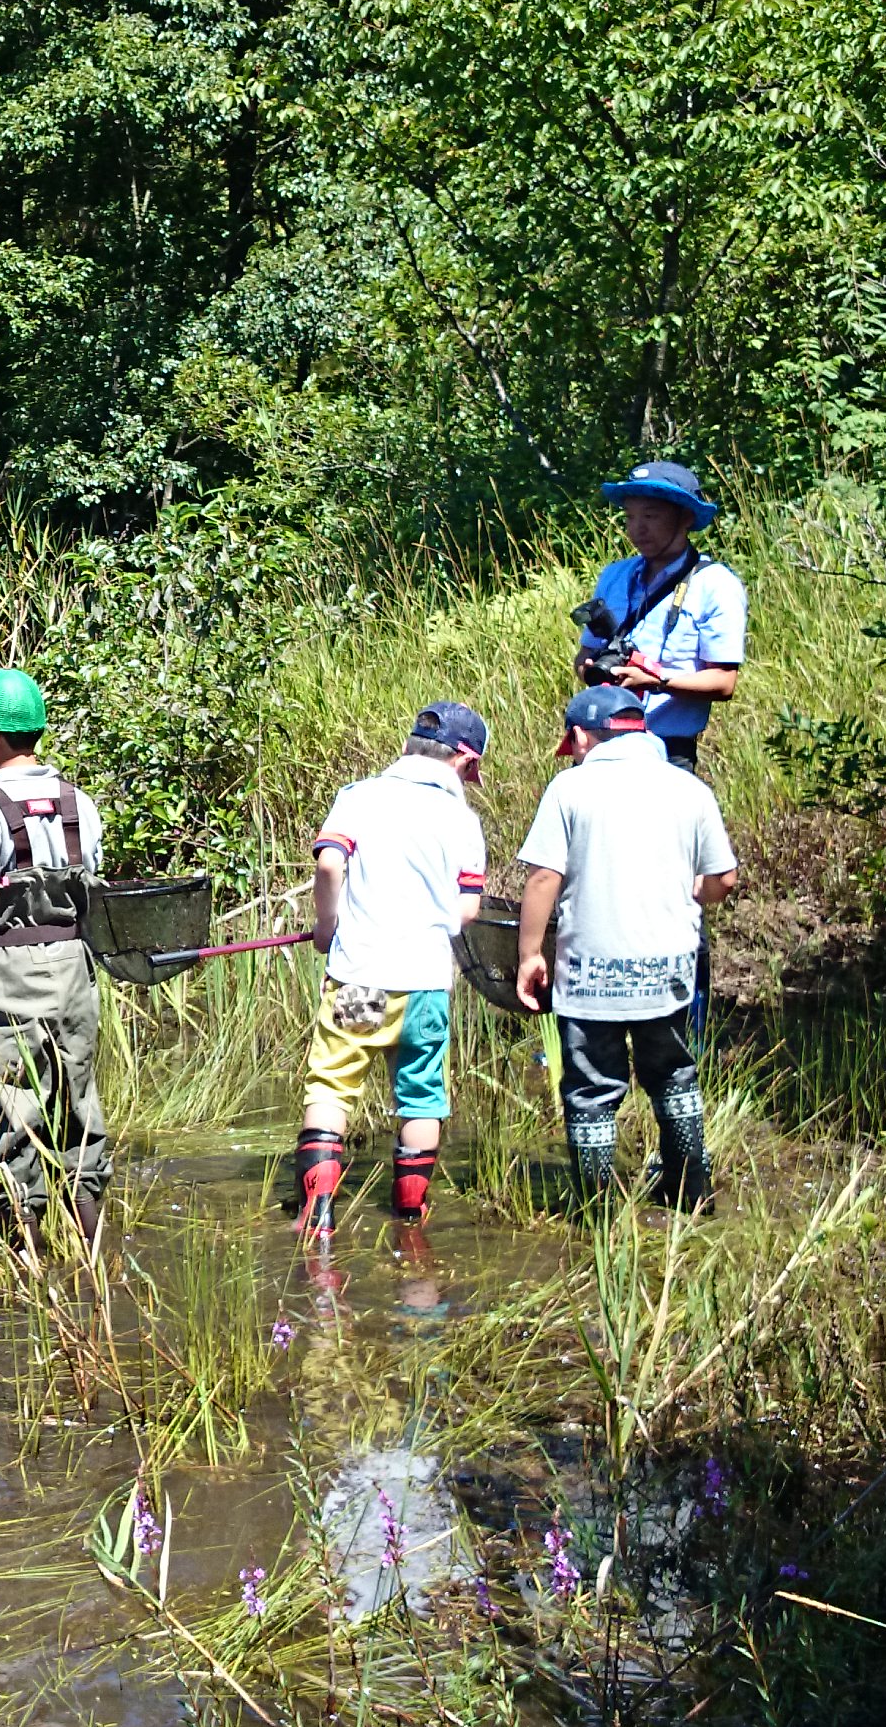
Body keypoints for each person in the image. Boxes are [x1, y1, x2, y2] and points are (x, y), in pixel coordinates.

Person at [516, 684, 741, 1207]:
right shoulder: (689, 789)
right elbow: (723, 879)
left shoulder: (571, 789)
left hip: (590, 973)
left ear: (579, 736)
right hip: (668, 970)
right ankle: (690, 1191)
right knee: (674, 1076)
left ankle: (597, 1209)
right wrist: (696, 894)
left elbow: (543, 878)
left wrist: (530, 954)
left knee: (592, 1088)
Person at [291, 701, 490, 1231]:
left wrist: (328, 926)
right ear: (465, 763)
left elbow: (330, 862)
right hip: (424, 982)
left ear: (409, 747)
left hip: (361, 977)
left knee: (332, 1086)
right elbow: (467, 910)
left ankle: (319, 1215)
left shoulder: (360, 797)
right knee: (421, 1095)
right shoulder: (463, 819)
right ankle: (410, 1216)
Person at [0, 667, 111, 1254]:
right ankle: (92, 1247)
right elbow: (93, 888)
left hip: (12, 968)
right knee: (78, 1097)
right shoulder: (78, 802)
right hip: (73, 964)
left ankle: (26, 1258)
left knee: (19, 1105)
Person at [572, 460, 745, 769]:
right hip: (602, 745)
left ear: (685, 517)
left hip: (667, 750)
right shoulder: (614, 576)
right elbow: (584, 655)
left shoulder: (715, 584)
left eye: (650, 516)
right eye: (630, 517)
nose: (638, 528)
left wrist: (656, 680)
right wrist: (592, 673)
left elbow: (723, 681)